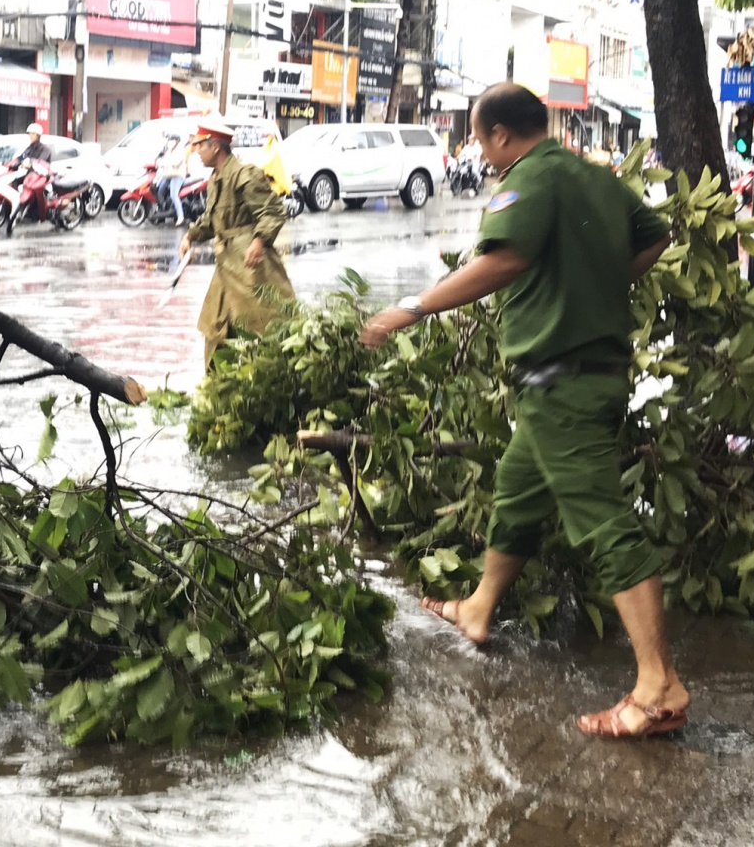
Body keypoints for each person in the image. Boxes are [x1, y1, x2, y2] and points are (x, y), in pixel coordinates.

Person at [358, 83, 688, 740]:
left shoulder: (528, 179)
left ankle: (660, 685)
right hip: (573, 380)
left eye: (481, 140)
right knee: (517, 489)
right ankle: (479, 608)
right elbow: (655, 236)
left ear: (501, 135)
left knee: (601, 522)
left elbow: (502, 259)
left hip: (565, 380)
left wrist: (409, 309)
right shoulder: (592, 177)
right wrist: (596, 279)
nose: (481, 153)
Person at [185, 119, 294, 364]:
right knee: (214, 327)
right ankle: (217, 388)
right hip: (226, 266)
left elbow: (273, 211)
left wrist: (259, 241)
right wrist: (190, 235)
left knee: (260, 327)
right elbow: (212, 219)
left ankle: (265, 378)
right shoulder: (216, 178)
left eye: (199, 145)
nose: (196, 152)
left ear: (215, 147)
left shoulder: (245, 174)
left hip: (251, 268)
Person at [154, 132, 189, 223]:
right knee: (159, 191)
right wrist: (158, 162)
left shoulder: (180, 150)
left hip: (177, 175)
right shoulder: (169, 150)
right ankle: (163, 212)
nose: (170, 142)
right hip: (168, 175)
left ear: (177, 141)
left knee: (173, 195)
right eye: (169, 140)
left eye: (172, 140)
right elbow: (163, 159)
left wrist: (163, 163)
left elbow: (176, 162)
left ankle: (180, 216)